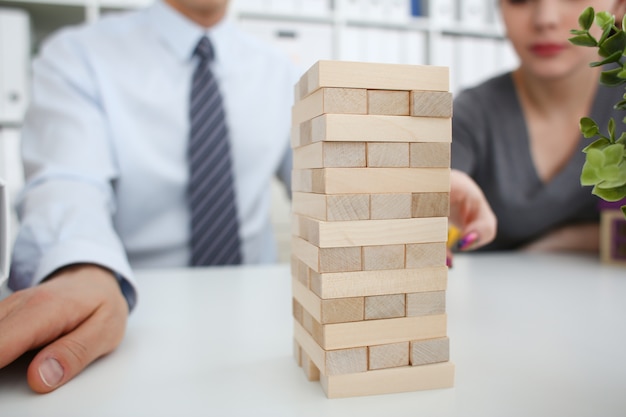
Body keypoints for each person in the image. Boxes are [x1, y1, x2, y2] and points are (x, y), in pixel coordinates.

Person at [0, 0, 496, 394]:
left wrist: (400, 188)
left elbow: (320, 182)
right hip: (138, 314)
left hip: (257, 315)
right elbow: (68, 182)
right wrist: (82, 265)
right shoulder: (77, 55)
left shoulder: (281, 71)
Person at [452, 0, 626, 252]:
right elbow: (436, 189)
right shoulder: (469, 113)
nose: (545, 19)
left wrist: (564, 244)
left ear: (619, 6)